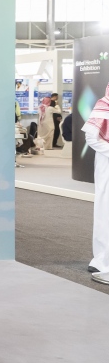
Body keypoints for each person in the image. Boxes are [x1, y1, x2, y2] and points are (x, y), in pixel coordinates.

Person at [84, 83, 109, 278]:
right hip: (107, 165)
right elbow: (91, 138)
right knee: (105, 210)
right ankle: (102, 259)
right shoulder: (104, 105)